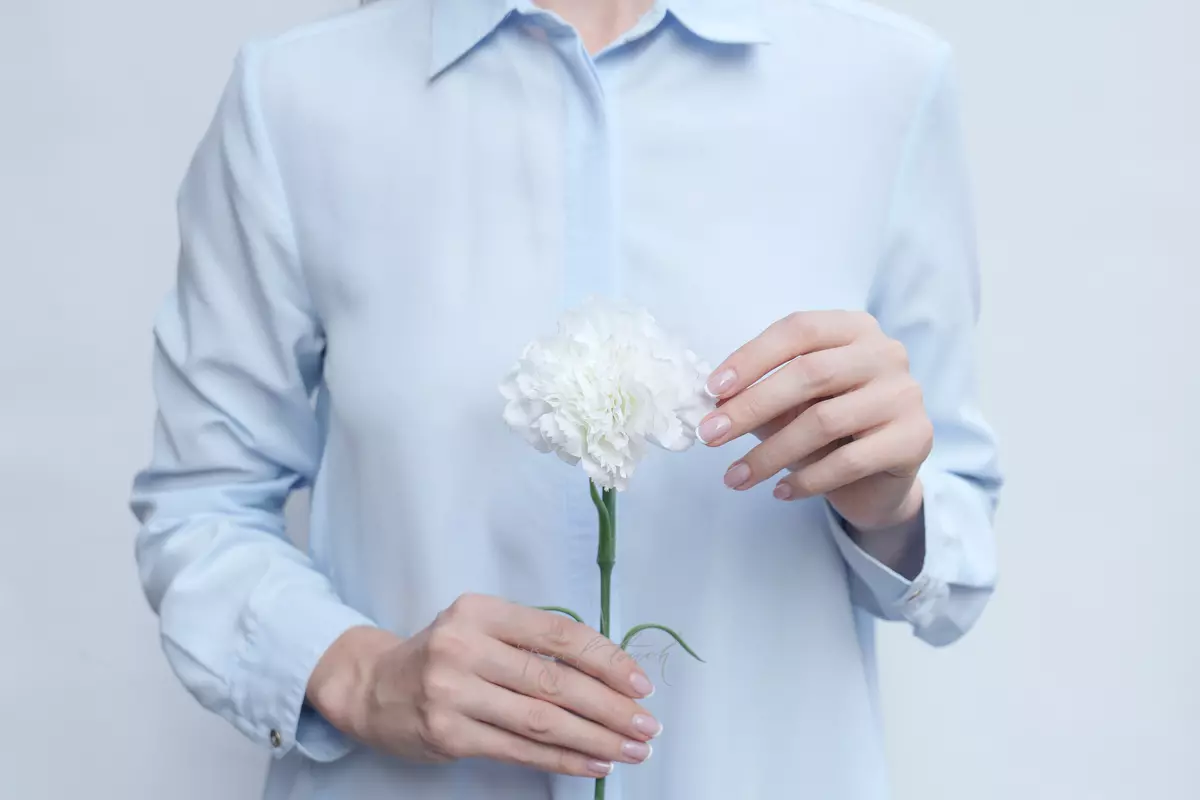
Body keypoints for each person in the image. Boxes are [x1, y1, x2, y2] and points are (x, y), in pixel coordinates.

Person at [129, 0, 1002, 798]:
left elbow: (956, 553)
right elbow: (201, 506)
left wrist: (892, 505)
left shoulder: (885, 83)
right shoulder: (296, 102)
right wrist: (358, 675)